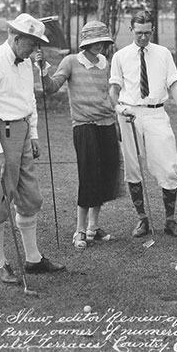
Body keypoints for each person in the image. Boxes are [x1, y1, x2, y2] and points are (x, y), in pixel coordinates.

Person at [0, 13, 65, 285]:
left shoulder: (25, 64)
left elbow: (30, 101)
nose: (37, 49)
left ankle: (33, 259)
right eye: (33, 43)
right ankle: (0, 264)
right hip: (0, 134)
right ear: (16, 37)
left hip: (22, 132)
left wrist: (33, 134)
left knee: (30, 197)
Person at [33, 21, 121, 250]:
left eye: (102, 41)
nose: (99, 45)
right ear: (85, 42)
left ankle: (93, 227)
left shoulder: (105, 63)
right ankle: (80, 230)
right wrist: (43, 68)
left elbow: (109, 95)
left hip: (107, 123)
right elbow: (51, 88)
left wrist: (119, 117)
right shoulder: (71, 61)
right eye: (94, 41)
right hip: (84, 126)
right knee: (88, 176)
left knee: (105, 175)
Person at [109, 10, 177, 239]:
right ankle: (142, 219)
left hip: (156, 114)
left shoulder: (163, 54)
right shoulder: (120, 56)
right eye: (139, 32)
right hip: (129, 114)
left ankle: (170, 221)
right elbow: (113, 90)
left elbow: (173, 84)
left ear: (152, 30)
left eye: (147, 32)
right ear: (131, 30)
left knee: (169, 166)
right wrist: (119, 108)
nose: (143, 37)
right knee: (133, 168)